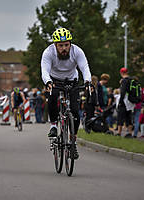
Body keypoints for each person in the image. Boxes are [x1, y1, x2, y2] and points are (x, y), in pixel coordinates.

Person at [41, 27, 92, 159]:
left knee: (74, 111)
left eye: (66, 45)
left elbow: (84, 67)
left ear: (70, 44)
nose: (64, 48)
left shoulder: (77, 51)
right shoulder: (48, 52)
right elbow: (45, 70)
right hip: (55, 80)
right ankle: (53, 125)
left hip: (71, 80)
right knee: (52, 99)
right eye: (60, 45)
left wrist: (87, 81)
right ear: (55, 45)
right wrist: (47, 82)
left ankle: (73, 141)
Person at [116, 67, 135, 138]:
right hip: (130, 102)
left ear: (121, 73)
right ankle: (130, 133)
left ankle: (119, 132)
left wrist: (120, 101)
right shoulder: (131, 80)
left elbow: (123, 92)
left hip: (124, 101)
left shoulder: (124, 81)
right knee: (128, 117)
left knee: (120, 117)